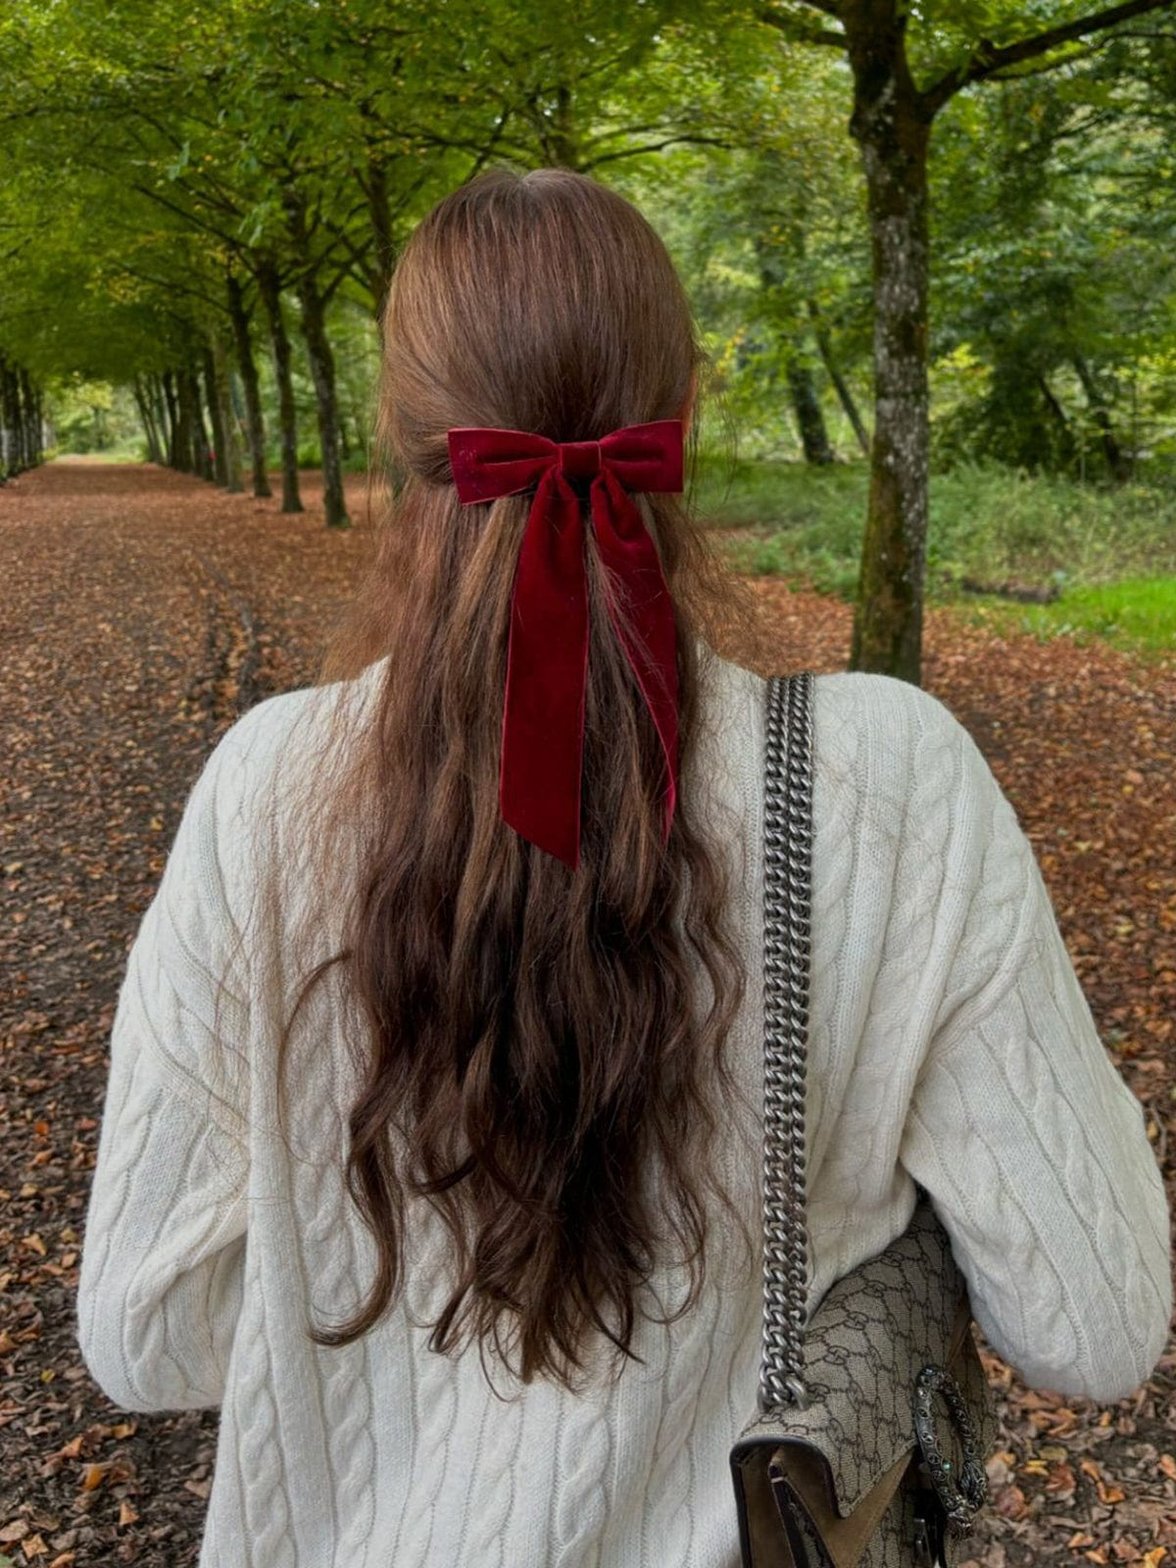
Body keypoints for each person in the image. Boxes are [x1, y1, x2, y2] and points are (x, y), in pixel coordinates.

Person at [76, 167, 1171, 1568]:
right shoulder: (894, 779)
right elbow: (1094, 1321)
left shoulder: (263, 793)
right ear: (690, 413)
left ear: (400, 433)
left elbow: (149, 1334)